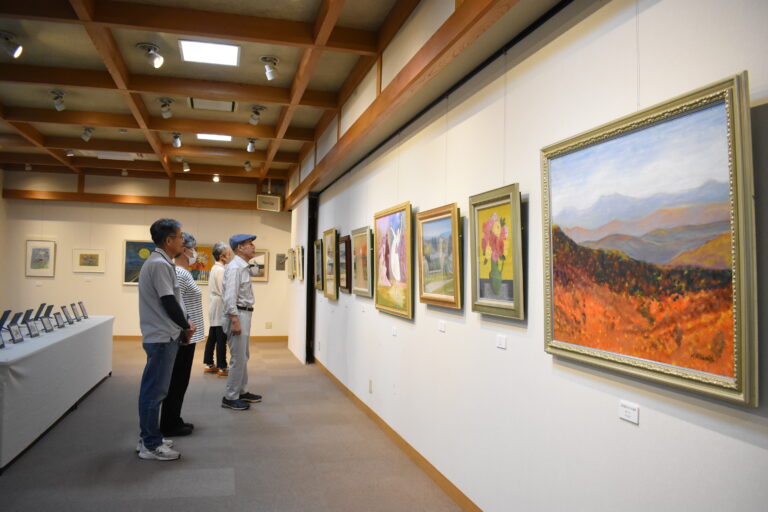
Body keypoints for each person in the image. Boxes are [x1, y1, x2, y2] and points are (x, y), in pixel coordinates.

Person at [137, 218, 195, 461]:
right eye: (180, 237)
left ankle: (151, 437)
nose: (183, 241)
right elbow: (168, 301)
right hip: (161, 337)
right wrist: (185, 326)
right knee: (155, 392)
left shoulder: (161, 262)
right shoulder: (160, 264)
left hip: (164, 335)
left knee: (156, 390)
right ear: (169, 240)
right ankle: (150, 444)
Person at [160, 232, 205, 437]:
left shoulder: (183, 272)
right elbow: (177, 305)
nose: (195, 253)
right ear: (185, 250)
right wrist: (185, 329)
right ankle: (170, 423)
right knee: (177, 380)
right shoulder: (180, 273)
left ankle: (174, 419)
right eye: (193, 248)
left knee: (180, 380)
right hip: (185, 336)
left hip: (189, 334)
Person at [221, 234, 263, 410]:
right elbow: (230, 296)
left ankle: (242, 391)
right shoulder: (235, 268)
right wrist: (235, 320)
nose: (253, 246)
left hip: (243, 314)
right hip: (237, 315)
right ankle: (230, 397)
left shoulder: (243, 266)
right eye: (249, 244)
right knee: (238, 358)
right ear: (239, 248)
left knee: (243, 356)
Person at [203, 241, 231, 376]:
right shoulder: (220, 270)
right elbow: (223, 291)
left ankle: (209, 363)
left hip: (215, 305)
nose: (229, 255)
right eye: (228, 253)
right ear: (221, 256)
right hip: (220, 305)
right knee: (221, 337)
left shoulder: (215, 268)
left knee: (213, 335)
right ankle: (222, 367)